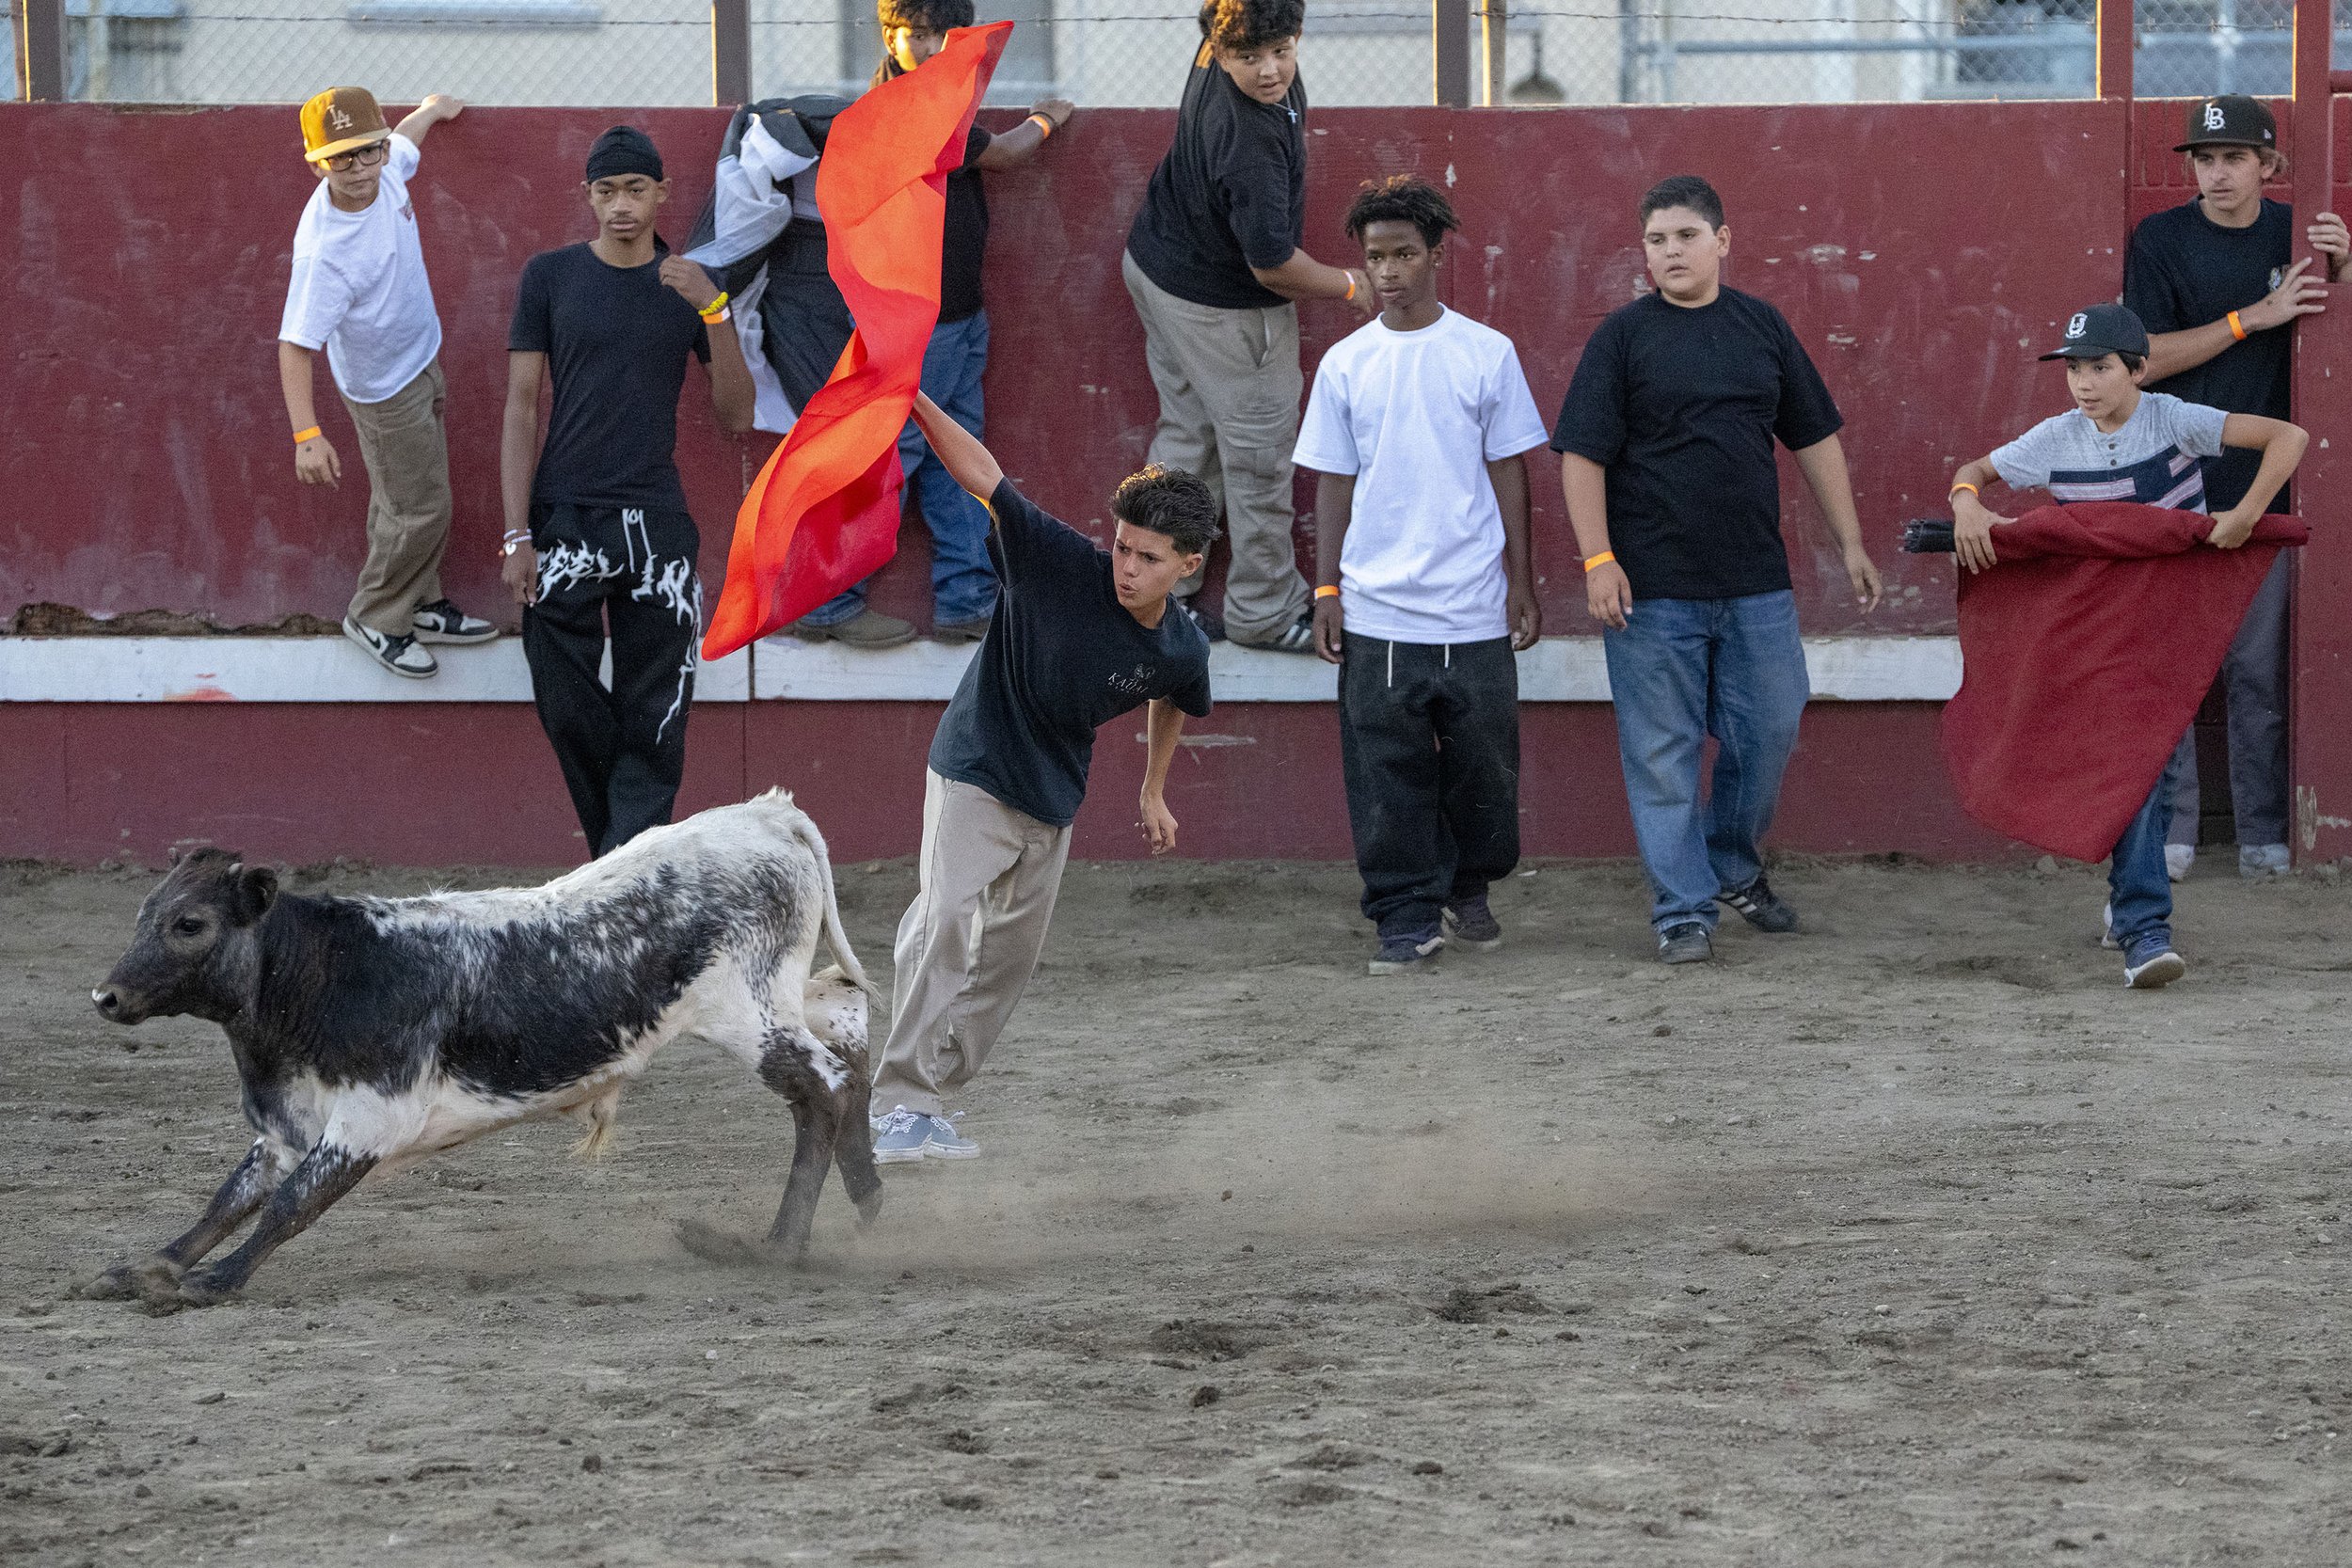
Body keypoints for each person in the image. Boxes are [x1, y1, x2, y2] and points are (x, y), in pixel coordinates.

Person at [869, 393, 1216, 1163]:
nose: (1128, 567)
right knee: (946, 916)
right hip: (975, 763)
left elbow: (1174, 698)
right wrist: (911, 397)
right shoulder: (1056, 560)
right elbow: (983, 476)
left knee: (1006, 965)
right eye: (1123, 547)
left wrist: (1153, 788)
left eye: (1149, 558)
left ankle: (927, 1100)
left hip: (1052, 794)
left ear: (1188, 565)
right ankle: (899, 1103)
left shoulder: (1181, 648)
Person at [1552, 174, 1883, 965]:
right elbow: (1581, 455)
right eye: (1656, 240)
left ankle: (1731, 861)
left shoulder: (1762, 327)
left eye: (1686, 236)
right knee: (1662, 755)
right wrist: (1598, 559)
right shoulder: (1622, 338)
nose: (1671, 251)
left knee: (1770, 727)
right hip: (1650, 590)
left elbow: (1815, 437)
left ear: (1723, 241)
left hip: (1755, 583)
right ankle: (1682, 911)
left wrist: (1851, 542)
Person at [1946, 302, 2306, 987]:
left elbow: (2288, 436)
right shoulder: (2055, 437)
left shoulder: (2172, 419)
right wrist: (1966, 502)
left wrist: (2248, 512)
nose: (2084, 383)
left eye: (2100, 368)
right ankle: (2145, 928)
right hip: (2096, 628)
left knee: (2153, 765)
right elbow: (1973, 471)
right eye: (2074, 370)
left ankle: (2129, 900)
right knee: (2139, 762)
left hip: (2170, 624)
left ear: (2137, 370)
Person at [1295, 175, 1548, 975]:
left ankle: (1468, 885)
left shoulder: (1486, 353)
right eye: (1376, 257)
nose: (1389, 271)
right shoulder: (1345, 364)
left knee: (1485, 772)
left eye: (1404, 253)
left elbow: (1509, 469)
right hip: (1377, 613)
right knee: (1385, 776)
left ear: (1437, 254)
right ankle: (1405, 914)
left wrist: (1522, 581)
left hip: (1473, 610)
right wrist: (1327, 588)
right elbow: (1333, 480)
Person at [499, 125, 756, 857]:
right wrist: (517, 532)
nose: (621, 205)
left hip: (657, 526)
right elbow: (521, 408)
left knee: (658, 713)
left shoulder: (690, 286)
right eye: (607, 191)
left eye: (636, 190)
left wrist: (715, 309)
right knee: (564, 696)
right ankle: (621, 860)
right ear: (587, 195)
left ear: (661, 194)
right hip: (565, 518)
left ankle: (623, 871)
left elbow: (738, 414)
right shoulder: (550, 277)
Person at [788, 0, 1076, 650]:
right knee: (897, 454)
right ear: (888, 36)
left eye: (940, 33)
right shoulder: (910, 104)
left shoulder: (940, 94)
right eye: (913, 33)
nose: (927, 46)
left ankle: (966, 598)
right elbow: (1006, 153)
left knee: (957, 455)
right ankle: (831, 601)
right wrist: (1047, 118)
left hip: (954, 312)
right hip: (918, 319)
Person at [2124, 94, 2349, 880]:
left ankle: (2261, 832)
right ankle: (2175, 832)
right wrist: (2252, 316)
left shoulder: (2299, 233)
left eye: (2233, 158)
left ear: (2268, 165)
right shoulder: (2160, 238)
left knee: (2258, 676)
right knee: (2175, 676)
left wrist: (2344, 269)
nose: (2216, 174)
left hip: (2269, 487)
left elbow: (2334, 337)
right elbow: (2142, 361)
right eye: (2204, 159)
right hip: (2172, 485)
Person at [1121, 0, 1375, 652]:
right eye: (1249, 57)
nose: (1269, 71)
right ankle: (1264, 608)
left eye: (1282, 51)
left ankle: (1153, 597)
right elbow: (1273, 266)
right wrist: (1349, 284)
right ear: (1217, 47)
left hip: (1157, 265)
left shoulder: (1221, 31)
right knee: (1259, 455)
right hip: (1222, 305)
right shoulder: (1250, 145)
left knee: (1189, 435)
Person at [278, 85, 496, 679]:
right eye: (340, 158)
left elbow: (405, 140)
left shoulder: (388, 168)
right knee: (420, 508)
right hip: (384, 390)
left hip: (420, 356)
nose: (358, 168)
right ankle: (376, 616)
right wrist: (307, 435)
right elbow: (295, 347)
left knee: (404, 498)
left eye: (367, 151)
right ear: (317, 165)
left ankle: (420, 602)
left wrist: (430, 110)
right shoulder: (325, 253)